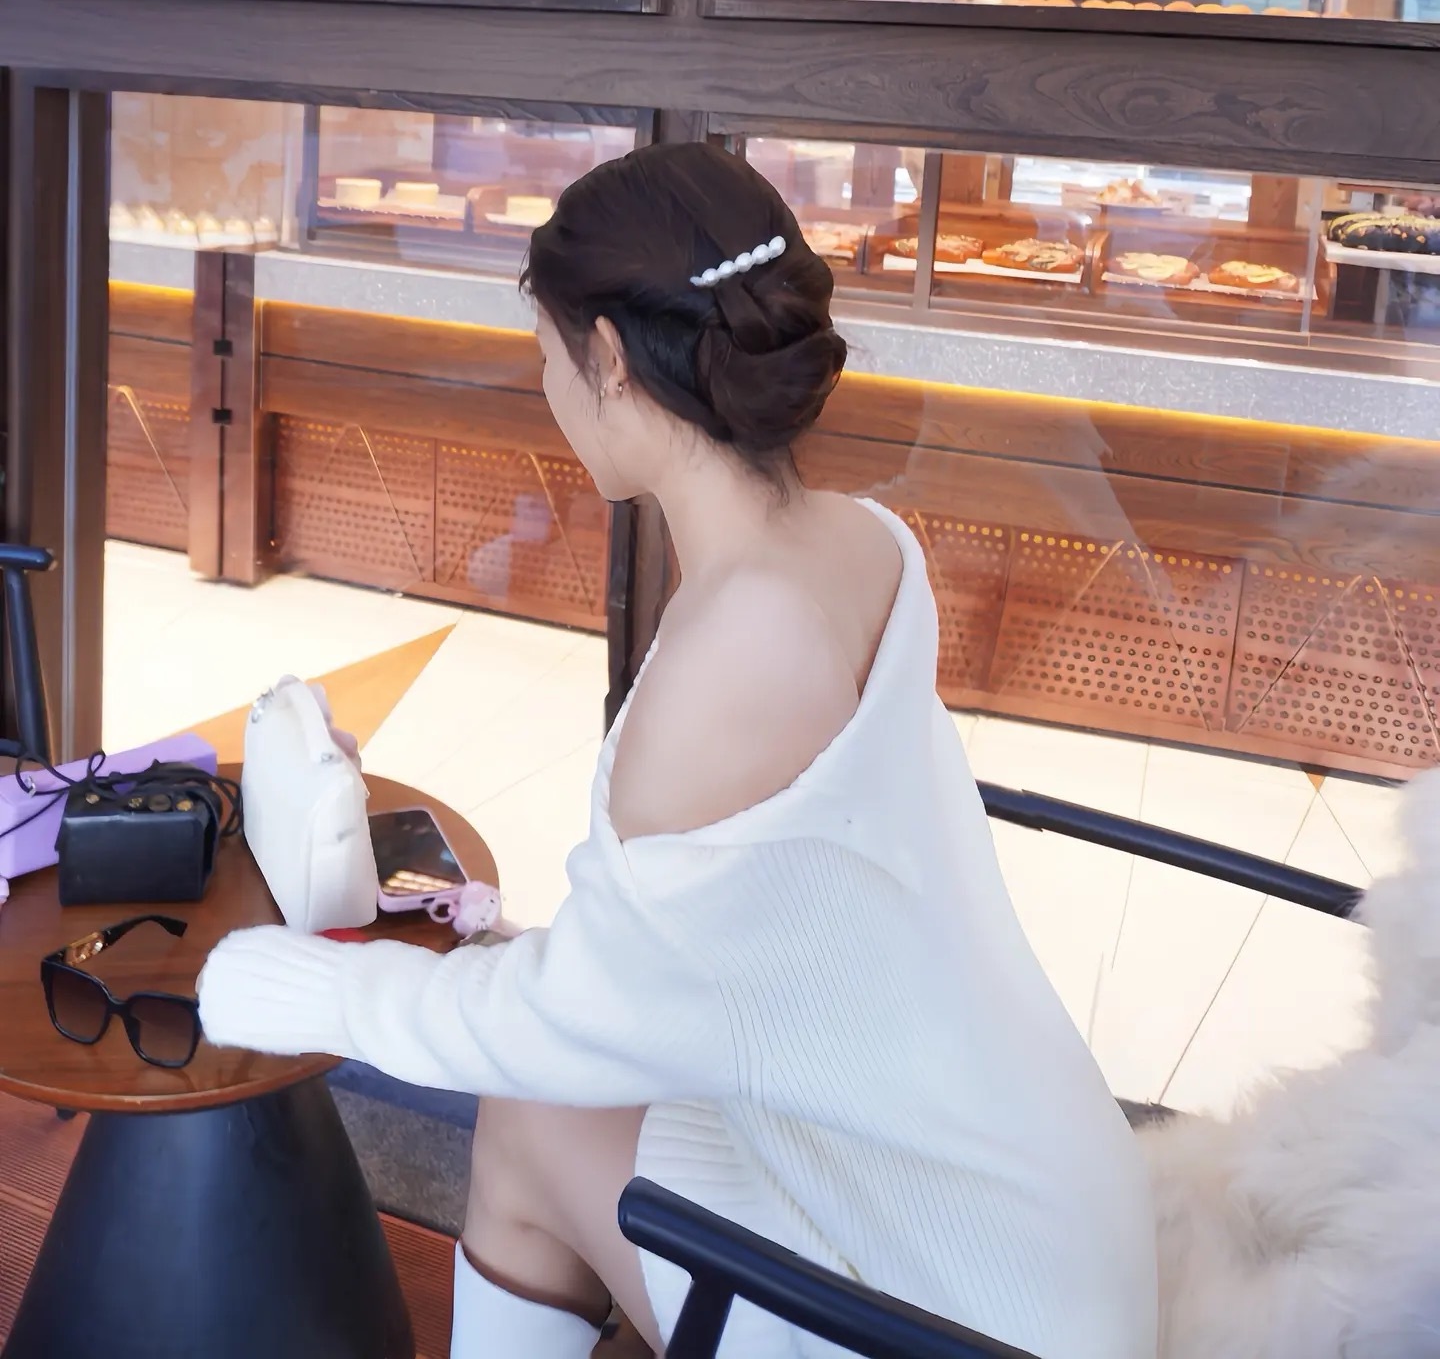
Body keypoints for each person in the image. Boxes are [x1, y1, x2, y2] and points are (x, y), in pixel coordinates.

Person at [198, 142, 1157, 1359]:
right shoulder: (866, 541)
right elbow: (734, 923)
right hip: (1057, 1225)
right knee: (547, 1099)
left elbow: (556, 1025)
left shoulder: (728, 655)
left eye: (547, 356)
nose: (548, 389)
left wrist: (302, 984)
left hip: (950, 1309)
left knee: (530, 1112)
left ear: (607, 356)